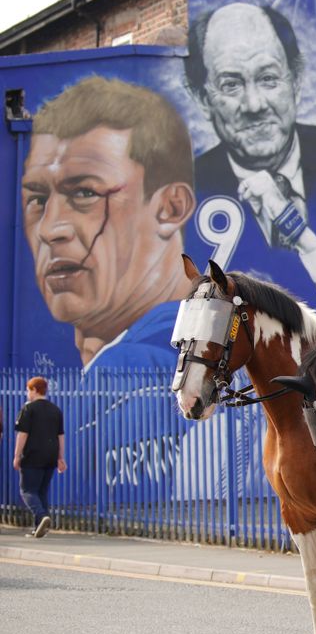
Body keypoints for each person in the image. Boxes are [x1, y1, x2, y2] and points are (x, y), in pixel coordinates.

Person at [21, 76, 196, 370]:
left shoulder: (145, 362)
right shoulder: (194, 351)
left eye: (85, 192)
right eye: (37, 199)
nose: (49, 230)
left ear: (171, 207)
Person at [185, 2, 316, 303]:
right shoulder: (189, 188)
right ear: (203, 99)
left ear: (296, 82)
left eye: (268, 79)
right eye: (231, 84)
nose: (254, 105)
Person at [13, 377, 66, 539]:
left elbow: (23, 434)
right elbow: (60, 436)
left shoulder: (28, 409)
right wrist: (60, 457)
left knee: (27, 490)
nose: (27, 393)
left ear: (35, 390)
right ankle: (40, 528)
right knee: (41, 491)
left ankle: (42, 516)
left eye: (28, 390)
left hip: (33, 454)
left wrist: (16, 455)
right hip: (50, 454)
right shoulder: (55, 410)